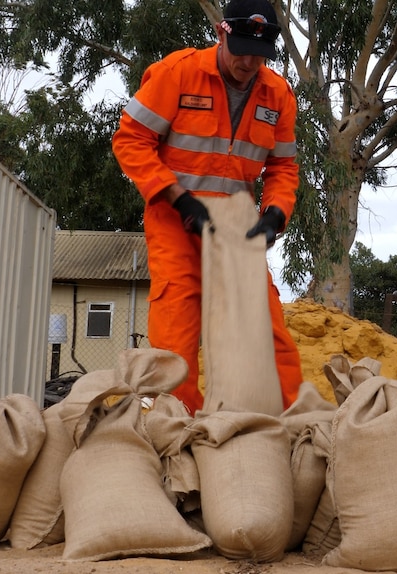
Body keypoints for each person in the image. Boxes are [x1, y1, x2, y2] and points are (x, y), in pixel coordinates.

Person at [112, 0, 303, 414]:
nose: (249, 63)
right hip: (175, 221)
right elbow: (130, 141)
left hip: (235, 230)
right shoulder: (177, 74)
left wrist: (275, 213)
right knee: (175, 342)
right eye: (242, 51)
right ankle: (174, 433)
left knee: (270, 336)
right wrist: (179, 199)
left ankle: (292, 431)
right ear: (221, 32)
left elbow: (284, 167)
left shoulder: (278, 95)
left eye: (261, 55)